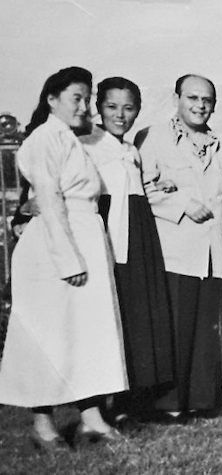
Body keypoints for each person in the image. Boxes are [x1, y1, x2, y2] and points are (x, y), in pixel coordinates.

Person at [0, 66, 127, 450]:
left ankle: (91, 418)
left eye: (87, 98)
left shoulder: (74, 140)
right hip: (54, 251)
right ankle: (43, 425)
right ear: (52, 99)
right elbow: (50, 203)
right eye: (77, 97)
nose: (85, 106)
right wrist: (68, 261)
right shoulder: (43, 140)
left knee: (87, 334)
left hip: (85, 237)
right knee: (47, 335)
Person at [135, 74, 222, 417]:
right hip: (175, 249)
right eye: (192, 98)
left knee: (207, 329)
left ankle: (203, 401)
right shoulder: (153, 138)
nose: (199, 105)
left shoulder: (221, 143)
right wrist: (181, 206)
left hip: (212, 251)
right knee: (176, 327)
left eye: (206, 100)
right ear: (176, 97)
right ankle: (171, 404)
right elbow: (141, 189)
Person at [79, 77, 175, 417]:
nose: (120, 115)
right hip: (111, 238)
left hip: (140, 236)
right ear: (98, 108)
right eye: (112, 107)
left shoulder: (132, 149)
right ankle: (104, 405)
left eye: (129, 108)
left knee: (141, 318)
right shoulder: (87, 145)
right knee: (114, 319)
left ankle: (132, 402)